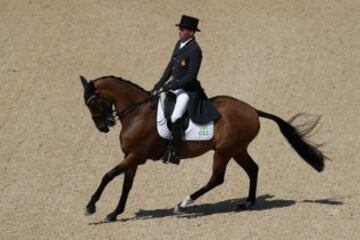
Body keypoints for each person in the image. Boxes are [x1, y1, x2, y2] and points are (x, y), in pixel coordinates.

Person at [152, 15, 221, 164]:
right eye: (180, 29)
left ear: (191, 32)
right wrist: (160, 83)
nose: (180, 32)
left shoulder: (195, 50)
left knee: (176, 116)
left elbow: (190, 76)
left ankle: (175, 151)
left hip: (187, 91)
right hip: (175, 87)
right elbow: (170, 66)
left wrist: (171, 85)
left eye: (183, 30)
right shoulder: (179, 43)